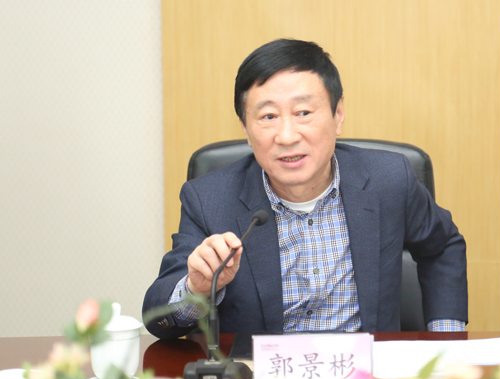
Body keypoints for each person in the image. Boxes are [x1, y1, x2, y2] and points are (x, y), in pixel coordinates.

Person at [143, 39, 468, 340]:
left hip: (364, 374)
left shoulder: (389, 179)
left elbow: (442, 247)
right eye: (268, 116)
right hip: (262, 376)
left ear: (338, 114)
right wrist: (197, 289)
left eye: (303, 113)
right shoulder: (209, 200)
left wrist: (446, 340)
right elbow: (159, 319)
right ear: (245, 128)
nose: (287, 136)